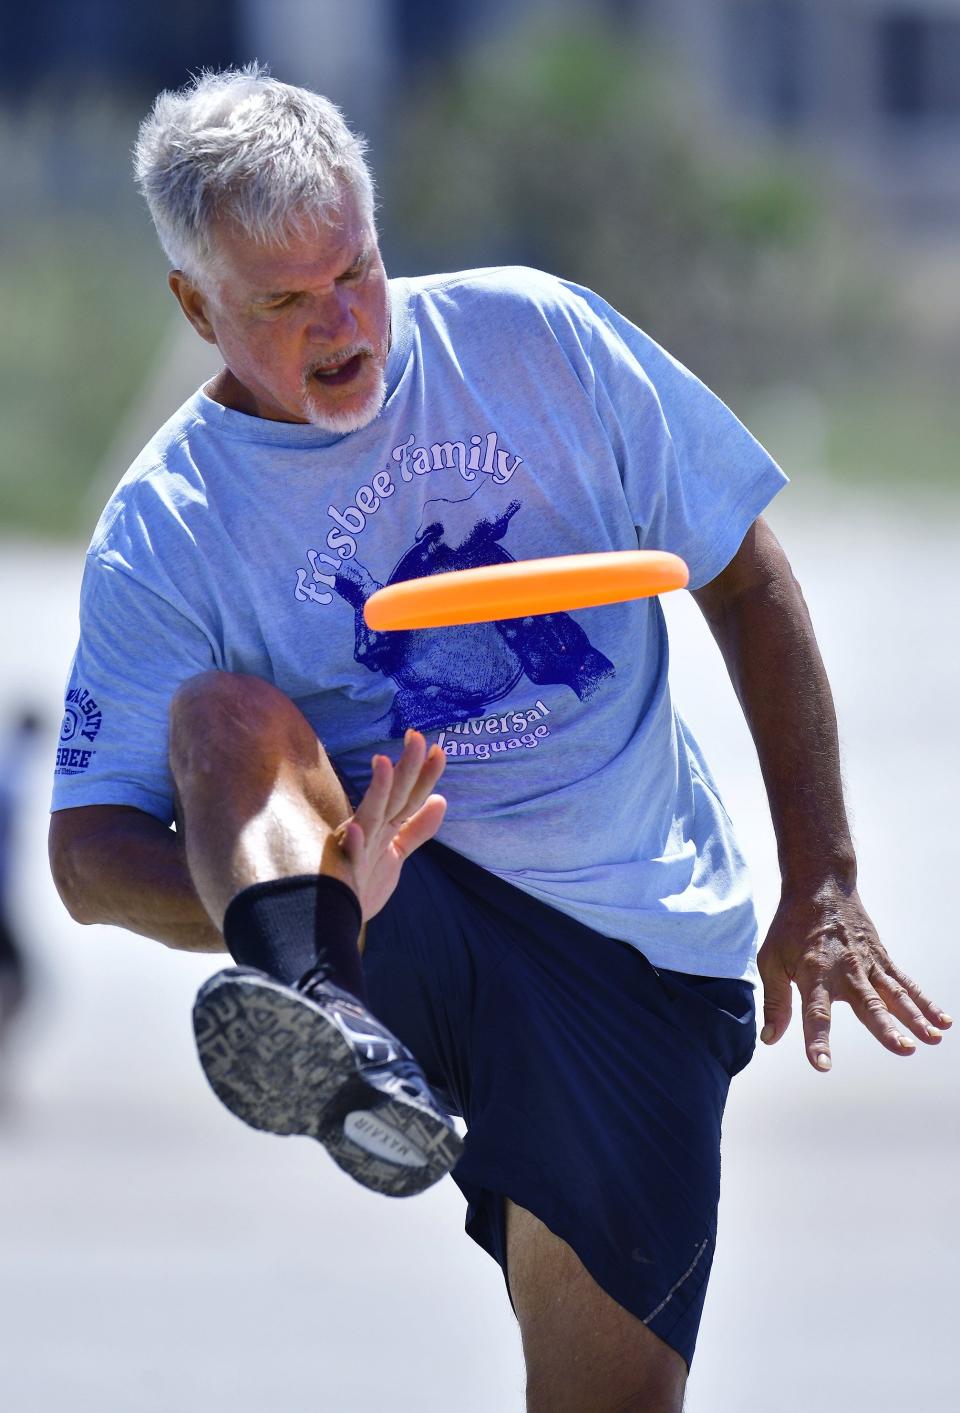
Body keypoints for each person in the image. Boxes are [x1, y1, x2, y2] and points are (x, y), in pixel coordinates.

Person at [48, 66, 950, 1413]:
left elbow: (748, 580)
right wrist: (304, 894)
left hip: (630, 940)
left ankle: (339, 1003)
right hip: (386, 916)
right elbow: (85, 854)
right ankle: (325, 1008)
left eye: (354, 271)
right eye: (285, 304)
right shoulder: (169, 524)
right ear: (196, 307)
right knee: (223, 718)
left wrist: (822, 876)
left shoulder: (539, 342)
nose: (341, 322)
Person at [1, 710, 43, 1044]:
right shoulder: (11, 776)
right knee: (22, 983)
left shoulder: (14, 767)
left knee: (21, 984)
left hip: (6, 898)